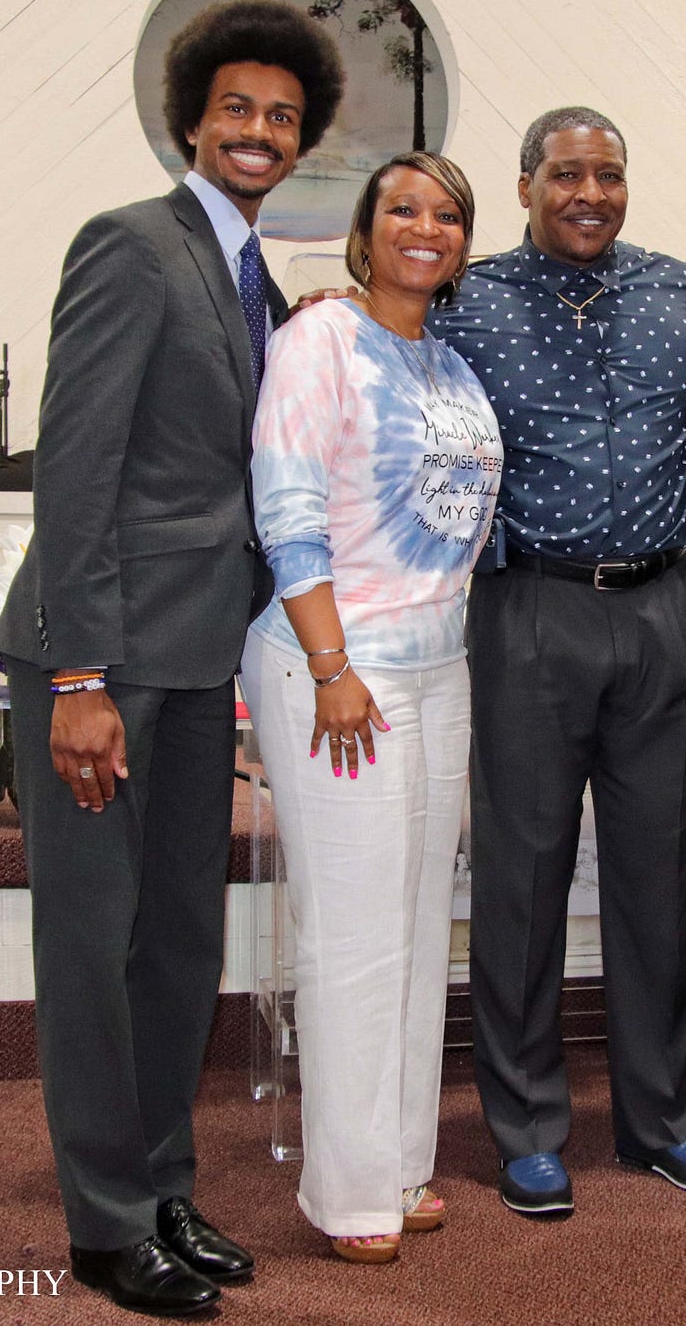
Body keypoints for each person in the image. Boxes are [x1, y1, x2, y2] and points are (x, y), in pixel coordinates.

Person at [0, 0, 343, 1316]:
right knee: (95, 943)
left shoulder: (251, 277)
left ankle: (163, 1184)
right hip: (106, 660)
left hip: (200, 665)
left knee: (180, 945)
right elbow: (75, 470)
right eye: (238, 108)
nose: (259, 131)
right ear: (192, 117)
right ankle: (102, 1220)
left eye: (283, 117)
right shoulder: (131, 246)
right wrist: (79, 677)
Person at [429, 106, 686, 1215]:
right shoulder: (469, 299)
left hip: (661, 608)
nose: (591, 195)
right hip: (528, 612)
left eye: (608, 174)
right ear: (526, 186)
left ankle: (661, 1122)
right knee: (520, 879)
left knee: (659, 879)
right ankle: (524, 1127)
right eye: (567, 174)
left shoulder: (677, 290)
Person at [241, 152, 500, 1264]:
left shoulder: (446, 358)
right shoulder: (318, 342)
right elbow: (287, 509)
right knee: (350, 936)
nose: (425, 227)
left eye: (447, 214)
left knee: (409, 929)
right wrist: (334, 661)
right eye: (403, 208)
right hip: (332, 669)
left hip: (439, 667)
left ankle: (398, 1160)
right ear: (365, 226)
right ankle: (343, 1190)